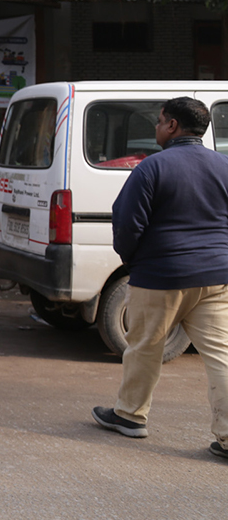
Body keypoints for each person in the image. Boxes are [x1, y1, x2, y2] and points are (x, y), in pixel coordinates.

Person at [90, 97, 228, 462]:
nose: (156, 128)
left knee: (145, 347)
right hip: (216, 276)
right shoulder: (224, 165)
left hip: (160, 275)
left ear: (172, 126)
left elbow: (127, 223)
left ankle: (130, 416)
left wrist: (136, 261)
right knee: (221, 356)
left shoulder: (152, 168)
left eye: (160, 121)